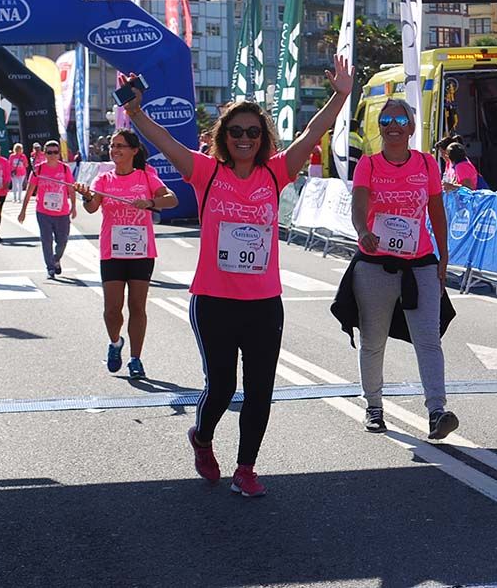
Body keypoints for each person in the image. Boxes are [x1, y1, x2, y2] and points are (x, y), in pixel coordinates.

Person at [118, 54, 353, 496]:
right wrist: (135, 112)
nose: (245, 138)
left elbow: (312, 133)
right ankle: (202, 437)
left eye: (253, 132)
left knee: (260, 388)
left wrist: (340, 95)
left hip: (264, 303)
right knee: (222, 386)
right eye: (236, 131)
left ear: (262, 137)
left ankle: (246, 468)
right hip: (214, 300)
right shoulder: (206, 172)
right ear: (224, 137)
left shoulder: (275, 172)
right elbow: (165, 141)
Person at [347, 98, 459, 440]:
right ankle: (374, 407)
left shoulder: (426, 164)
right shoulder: (368, 164)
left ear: (411, 127)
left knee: (428, 340)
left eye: (400, 118)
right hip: (376, 263)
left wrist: (443, 256)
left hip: (420, 263)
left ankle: (437, 411)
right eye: (386, 119)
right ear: (379, 127)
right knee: (373, 340)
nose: (393, 124)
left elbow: (437, 212)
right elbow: (359, 205)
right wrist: (363, 232)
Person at [74, 130, 178, 380]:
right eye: (112, 146)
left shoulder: (146, 176)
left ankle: (135, 358)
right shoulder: (104, 179)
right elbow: (91, 208)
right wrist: (85, 195)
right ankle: (115, 342)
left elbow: (171, 199)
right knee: (112, 309)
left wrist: (150, 203)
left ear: (134, 150)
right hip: (112, 251)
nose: (114, 150)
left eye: (120, 146)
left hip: (141, 251)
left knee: (137, 307)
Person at [19, 140, 76, 279]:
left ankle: (56, 258)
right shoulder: (38, 169)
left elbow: (71, 188)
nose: (52, 155)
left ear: (59, 154)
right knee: (46, 239)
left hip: (62, 212)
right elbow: (30, 191)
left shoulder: (65, 169)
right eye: (49, 152)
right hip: (43, 211)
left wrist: (74, 207)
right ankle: (50, 267)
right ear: (44, 153)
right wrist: (23, 210)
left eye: (55, 152)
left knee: (62, 240)